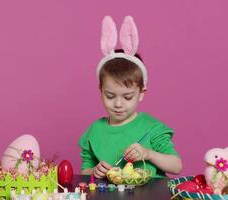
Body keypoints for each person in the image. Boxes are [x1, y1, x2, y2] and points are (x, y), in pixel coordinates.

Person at [78, 16, 182, 178]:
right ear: (101, 91)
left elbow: (176, 166)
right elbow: (85, 172)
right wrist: (95, 171)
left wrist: (148, 154)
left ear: (141, 93)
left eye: (127, 97)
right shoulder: (94, 131)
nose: (118, 104)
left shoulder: (152, 128)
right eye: (110, 96)